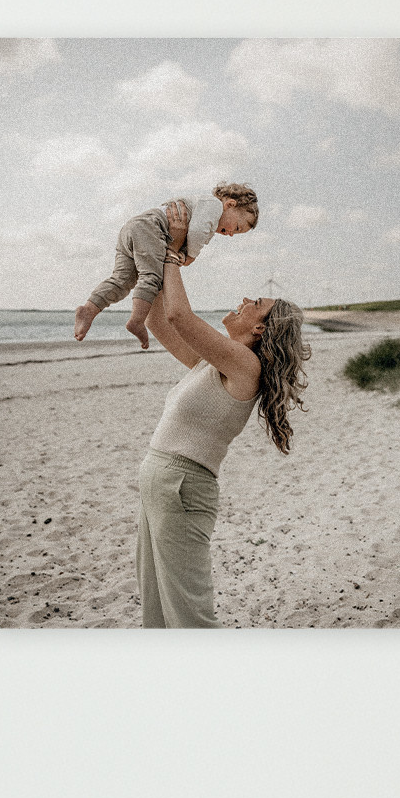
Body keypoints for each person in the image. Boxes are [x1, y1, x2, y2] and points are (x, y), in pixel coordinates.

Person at [135, 205, 310, 628]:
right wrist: (154, 252)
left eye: (257, 303)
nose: (245, 300)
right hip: (162, 483)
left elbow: (180, 315)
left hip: (181, 487)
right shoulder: (213, 362)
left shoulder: (244, 367)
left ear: (261, 330)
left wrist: (175, 252)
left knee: (189, 613)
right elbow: (161, 322)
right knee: (157, 604)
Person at [73, 181, 259, 349]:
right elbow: (196, 232)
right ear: (230, 204)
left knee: (122, 279)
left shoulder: (200, 206)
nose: (231, 234)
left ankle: (89, 309)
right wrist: (191, 256)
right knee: (152, 277)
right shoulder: (213, 207)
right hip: (152, 228)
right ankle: (137, 320)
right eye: (237, 227)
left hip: (133, 228)